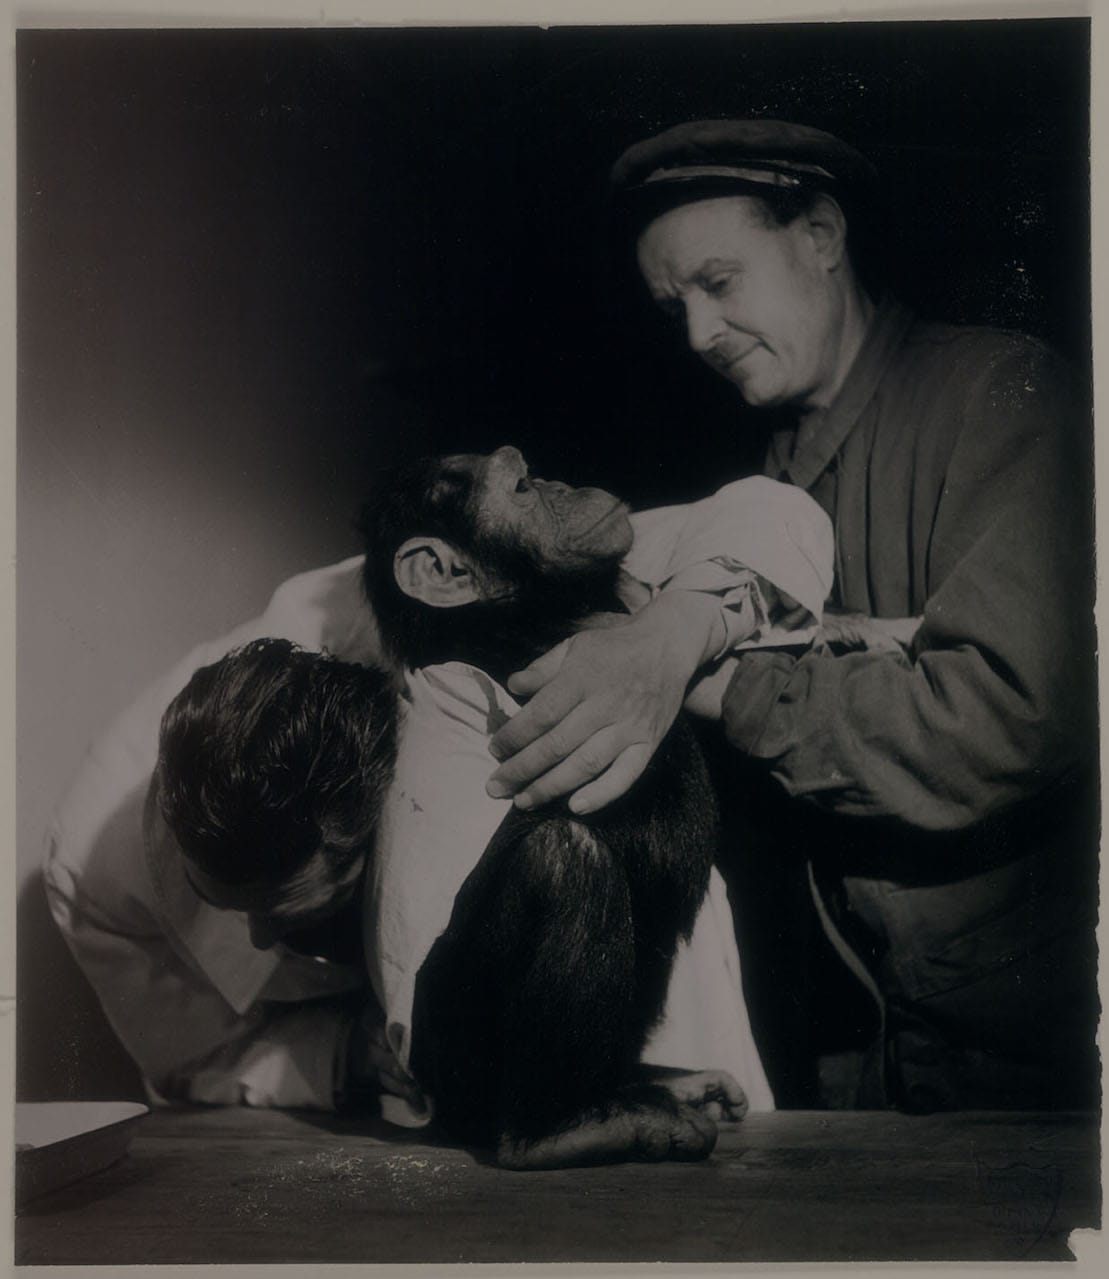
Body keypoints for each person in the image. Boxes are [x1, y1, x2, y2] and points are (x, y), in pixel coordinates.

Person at [482, 119, 1098, 1111]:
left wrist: (694, 668)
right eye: (671, 303)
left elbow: (1010, 718)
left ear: (819, 232)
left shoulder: (1001, 395)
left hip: (1029, 1070)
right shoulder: (765, 477)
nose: (695, 333)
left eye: (718, 281)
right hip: (862, 1050)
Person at [44, 459, 833, 1115]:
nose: (261, 940)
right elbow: (197, 1061)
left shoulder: (407, 608)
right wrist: (351, 1053)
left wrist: (673, 633)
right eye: (245, 905)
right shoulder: (92, 872)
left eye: (296, 905)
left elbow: (755, 517)